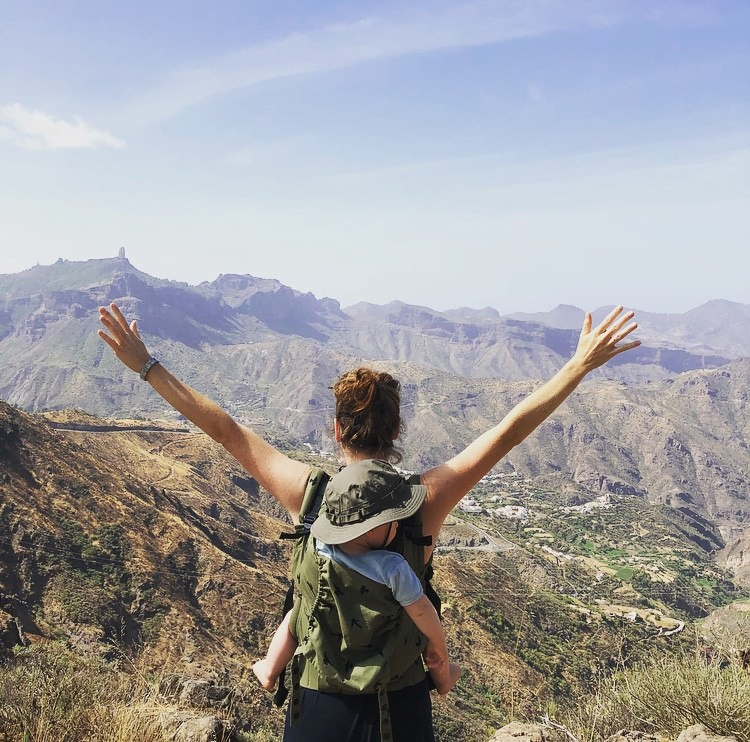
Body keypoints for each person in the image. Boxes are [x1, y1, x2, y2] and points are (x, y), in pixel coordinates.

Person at [97, 302, 639, 742]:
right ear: (398, 428)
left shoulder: (308, 495)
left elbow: (225, 430)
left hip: (317, 708)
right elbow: (508, 431)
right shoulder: (425, 501)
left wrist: (146, 365)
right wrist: (577, 367)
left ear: (336, 429)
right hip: (400, 711)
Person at [251, 461, 461, 697]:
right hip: (386, 669)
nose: (398, 526)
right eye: (394, 521)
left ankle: (270, 669)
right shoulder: (392, 568)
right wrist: (439, 645)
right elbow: (423, 611)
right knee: (427, 637)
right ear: (372, 529)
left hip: (324, 656)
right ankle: (443, 680)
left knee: (295, 614)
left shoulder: (322, 548)